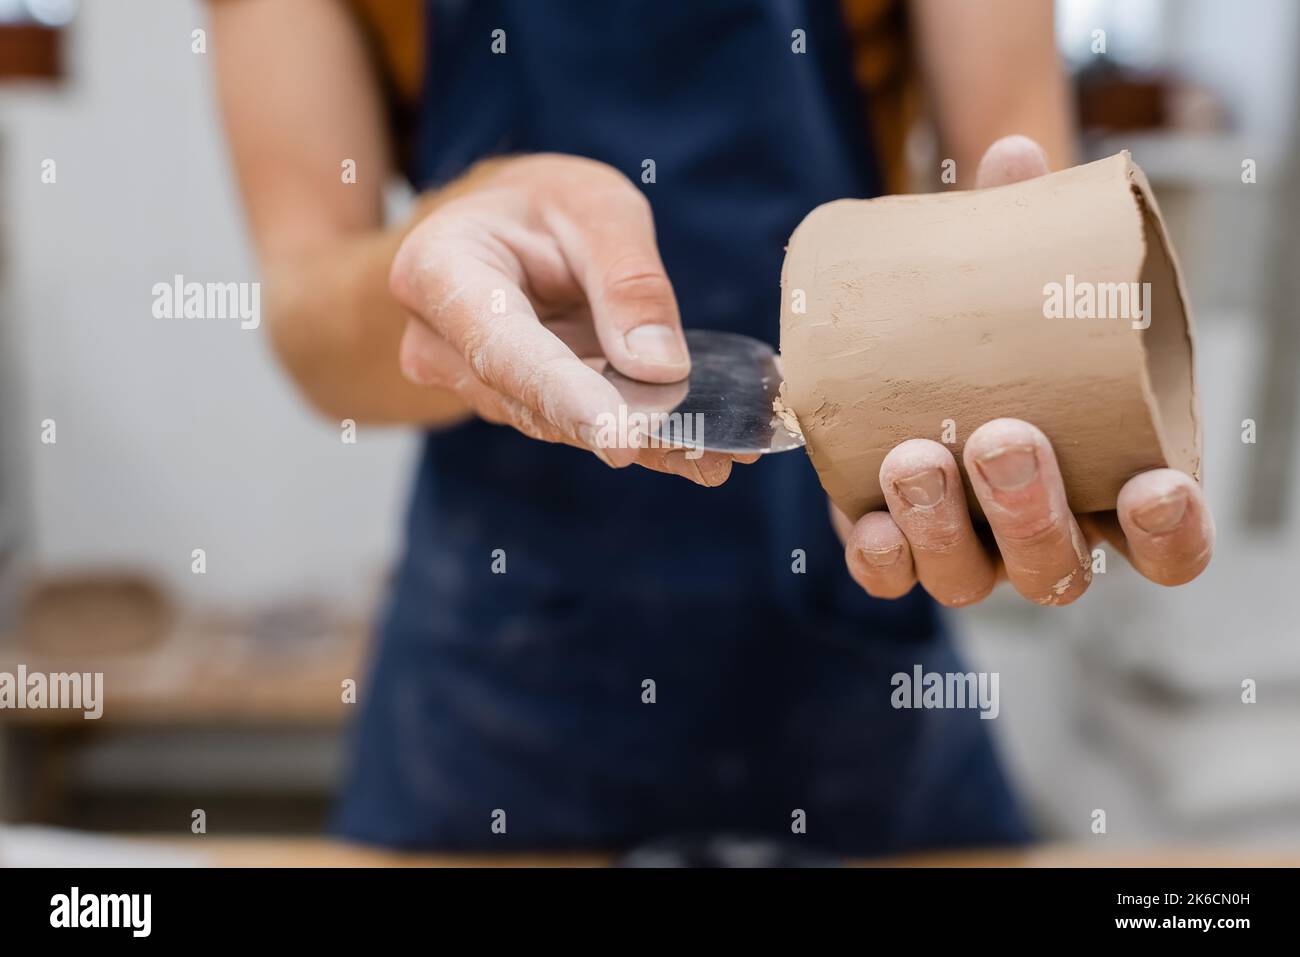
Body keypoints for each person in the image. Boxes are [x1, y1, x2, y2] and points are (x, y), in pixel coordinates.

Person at [207, 0, 1214, 854]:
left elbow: (1015, 179)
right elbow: (306, 314)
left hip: (853, 597)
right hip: (500, 654)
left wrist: (1040, 386)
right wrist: (458, 260)